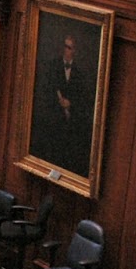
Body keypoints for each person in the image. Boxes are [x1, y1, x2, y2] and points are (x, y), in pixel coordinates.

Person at [32, 33, 93, 174]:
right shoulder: (52, 67)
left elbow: (83, 99)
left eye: (70, 48)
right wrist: (58, 102)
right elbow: (45, 92)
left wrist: (69, 104)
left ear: (75, 51)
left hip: (69, 125)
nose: (67, 50)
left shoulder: (79, 73)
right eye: (65, 47)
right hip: (53, 121)